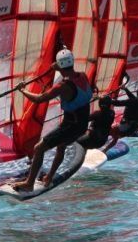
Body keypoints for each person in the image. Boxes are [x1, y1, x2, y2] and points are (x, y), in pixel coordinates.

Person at [13, 49, 92, 191]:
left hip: (70, 126)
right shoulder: (83, 76)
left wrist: (22, 90)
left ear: (60, 66)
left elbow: (38, 99)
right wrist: (59, 68)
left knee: (39, 148)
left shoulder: (63, 87)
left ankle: (29, 184)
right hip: (82, 125)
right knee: (61, 147)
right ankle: (49, 177)